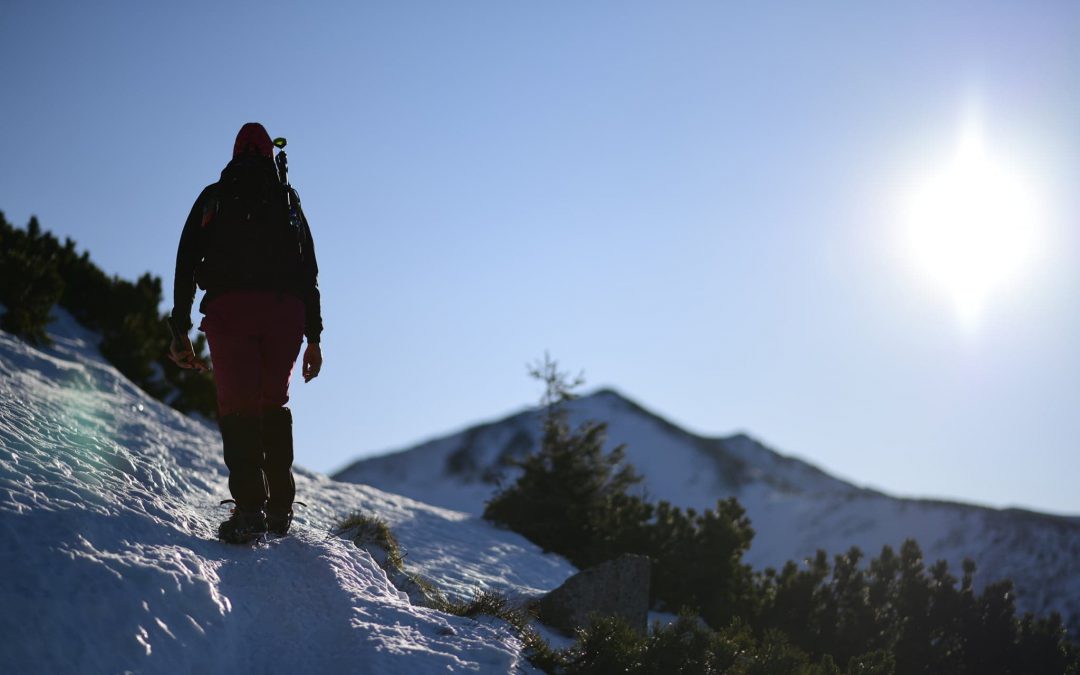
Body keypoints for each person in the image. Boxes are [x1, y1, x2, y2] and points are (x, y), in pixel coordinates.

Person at [167, 122, 323, 543]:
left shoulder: (214, 197)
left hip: (230, 310)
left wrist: (179, 326)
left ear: (236, 152)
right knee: (273, 402)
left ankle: (250, 510)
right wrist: (314, 338)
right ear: (270, 155)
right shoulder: (287, 199)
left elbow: (186, 261)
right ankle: (279, 511)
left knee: (238, 407)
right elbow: (308, 272)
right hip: (284, 313)